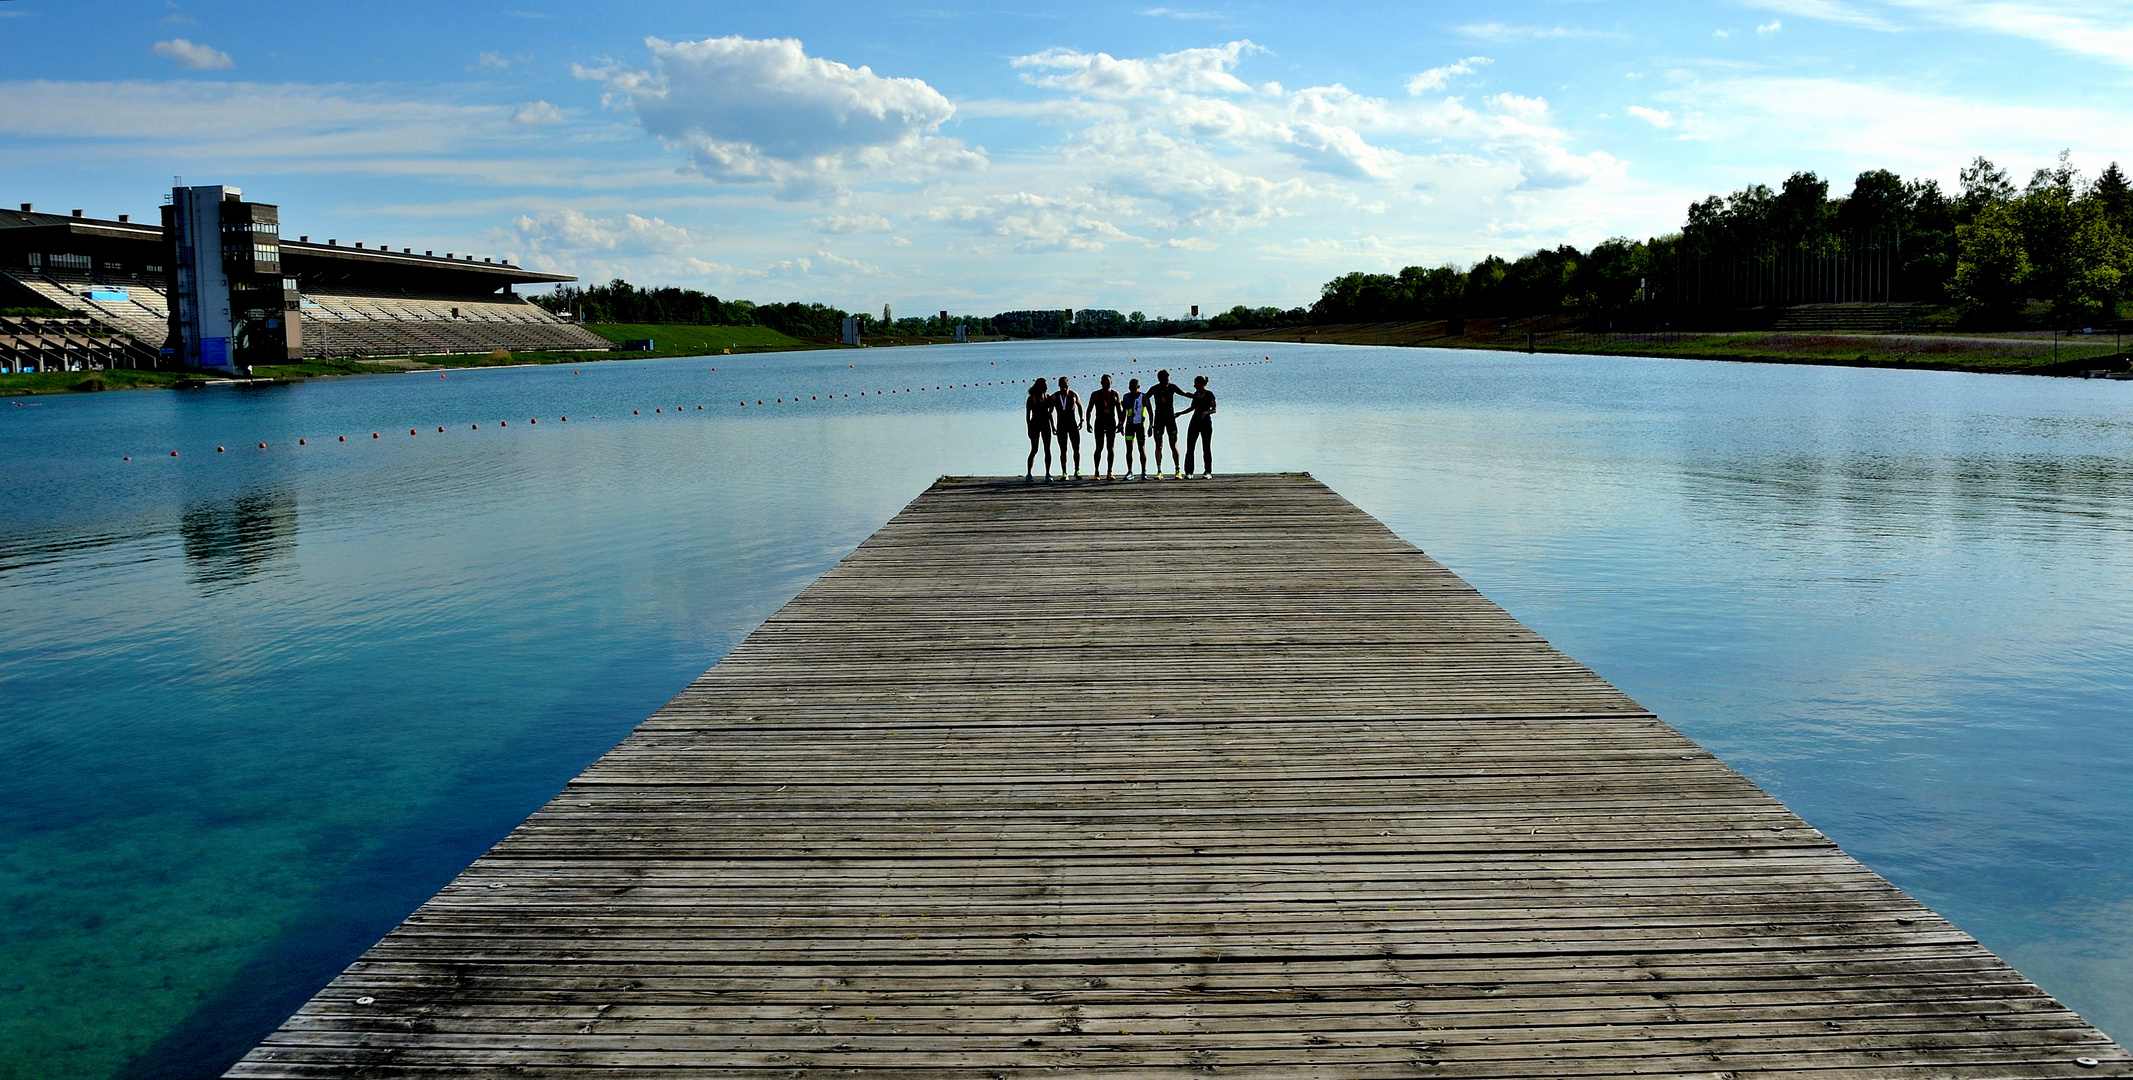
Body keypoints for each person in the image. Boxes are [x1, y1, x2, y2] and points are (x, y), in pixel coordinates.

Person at [1146, 369, 1190, 478]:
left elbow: (1184, 394)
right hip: (1158, 420)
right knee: (1158, 445)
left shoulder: (1172, 387)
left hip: (1170, 419)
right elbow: (1144, 399)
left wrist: (1197, 396)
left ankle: (1177, 470)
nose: (1166, 382)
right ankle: (1159, 471)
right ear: (1159, 379)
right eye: (1164, 380)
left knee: (1173, 445)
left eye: (1167, 380)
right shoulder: (1154, 388)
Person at [1086, 374, 1122, 480]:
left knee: (1110, 448)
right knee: (1099, 447)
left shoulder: (1115, 394)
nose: (1106, 384)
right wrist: (1087, 423)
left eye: (1108, 382)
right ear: (1101, 383)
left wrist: (1120, 424)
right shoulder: (1095, 394)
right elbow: (1089, 409)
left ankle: (1109, 472)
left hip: (1111, 422)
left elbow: (1119, 410)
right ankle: (1096, 472)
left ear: (1111, 382)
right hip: (1099, 423)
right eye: (1104, 382)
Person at [1183, 373, 1217, 477]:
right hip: (1194, 422)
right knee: (1190, 447)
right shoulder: (1196, 395)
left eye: (1196, 384)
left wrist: (1206, 412)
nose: (1194, 386)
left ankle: (1207, 471)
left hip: (1206, 423)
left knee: (1206, 447)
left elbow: (1214, 409)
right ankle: (1189, 472)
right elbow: (1192, 408)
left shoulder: (1209, 394)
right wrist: (1180, 413)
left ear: (1202, 384)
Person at [1052, 376, 1084, 479]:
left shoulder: (1074, 395)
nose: (1064, 388)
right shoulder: (1055, 396)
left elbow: (1080, 406)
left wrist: (1082, 420)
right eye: (1062, 387)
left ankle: (1077, 470)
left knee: (1076, 448)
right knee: (1063, 450)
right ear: (1059, 386)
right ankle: (1064, 472)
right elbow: (1050, 411)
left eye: (1065, 386)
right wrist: (1052, 425)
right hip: (1061, 425)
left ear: (1068, 385)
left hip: (1072, 425)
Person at [1119, 377, 1150, 479]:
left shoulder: (1144, 397)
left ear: (1138, 387)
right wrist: (1120, 424)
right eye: (1131, 388)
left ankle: (1143, 472)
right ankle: (1130, 471)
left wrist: (1151, 426)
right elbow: (1124, 412)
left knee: (1141, 448)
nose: (1132, 390)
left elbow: (1150, 412)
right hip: (1129, 426)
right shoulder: (1126, 396)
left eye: (1134, 388)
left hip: (1140, 425)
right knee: (1129, 449)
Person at [1024, 378, 1053, 481]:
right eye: (1045, 386)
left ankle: (1048, 473)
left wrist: (1053, 427)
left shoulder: (1048, 397)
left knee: (1047, 450)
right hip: (1035, 425)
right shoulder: (1032, 398)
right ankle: (1029, 473)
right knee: (1034, 449)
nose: (1046, 387)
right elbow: (1027, 416)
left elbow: (1050, 414)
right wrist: (1029, 429)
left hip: (1046, 425)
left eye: (1047, 386)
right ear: (1039, 386)